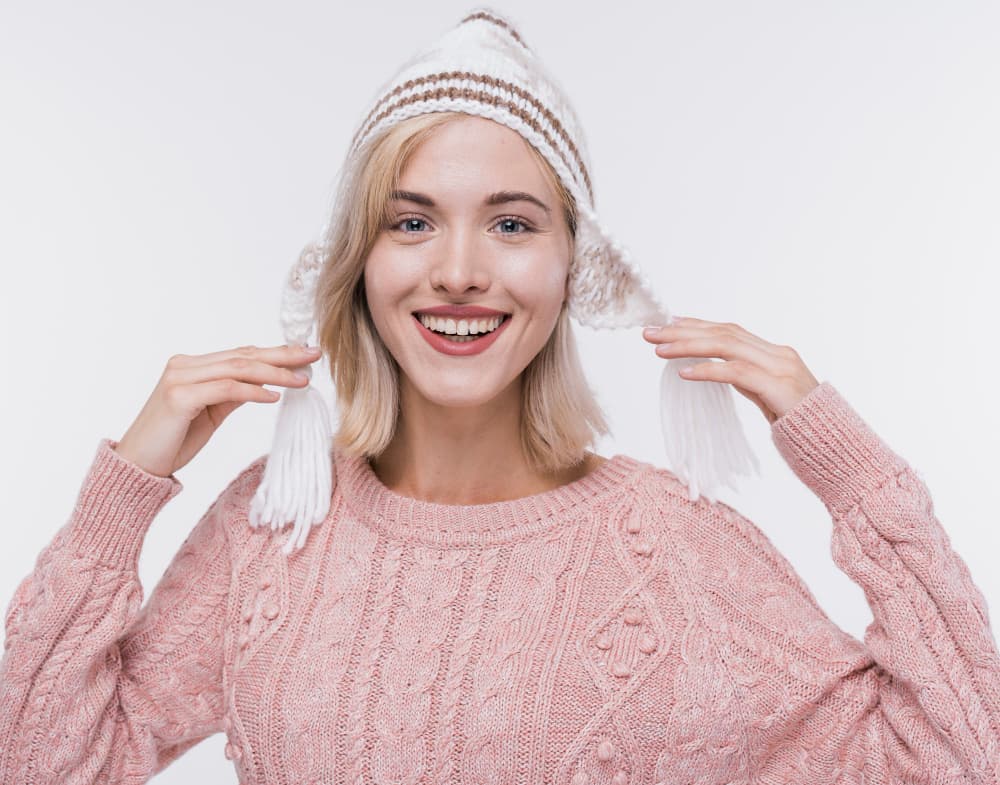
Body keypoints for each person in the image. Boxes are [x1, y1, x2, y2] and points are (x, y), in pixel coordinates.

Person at [2, 7, 999, 785]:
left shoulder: (675, 550)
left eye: (512, 224)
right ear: (358, 262)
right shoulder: (274, 528)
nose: (460, 271)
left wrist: (848, 465)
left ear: (572, 265)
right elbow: (41, 762)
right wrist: (123, 488)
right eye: (411, 221)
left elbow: (956, 759)